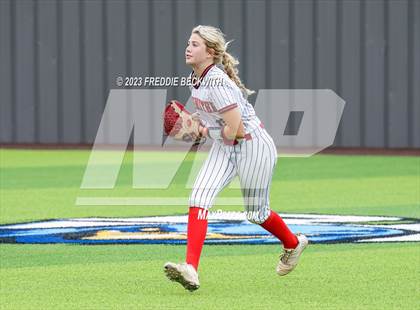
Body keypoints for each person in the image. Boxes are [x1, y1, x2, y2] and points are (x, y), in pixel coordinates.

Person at [164, 25, 308, 292]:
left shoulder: (217, 82)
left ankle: (293, 243)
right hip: (225, 145)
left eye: (195, 44)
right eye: (188, 42)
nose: (188, 47)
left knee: (257, 213)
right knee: (198, 198)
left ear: (210, 52)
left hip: (252, 146)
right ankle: (191, 269)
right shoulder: (197, 78)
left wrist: (202, 131)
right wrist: (195, 124)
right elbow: (217, 123)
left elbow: (238, 131)